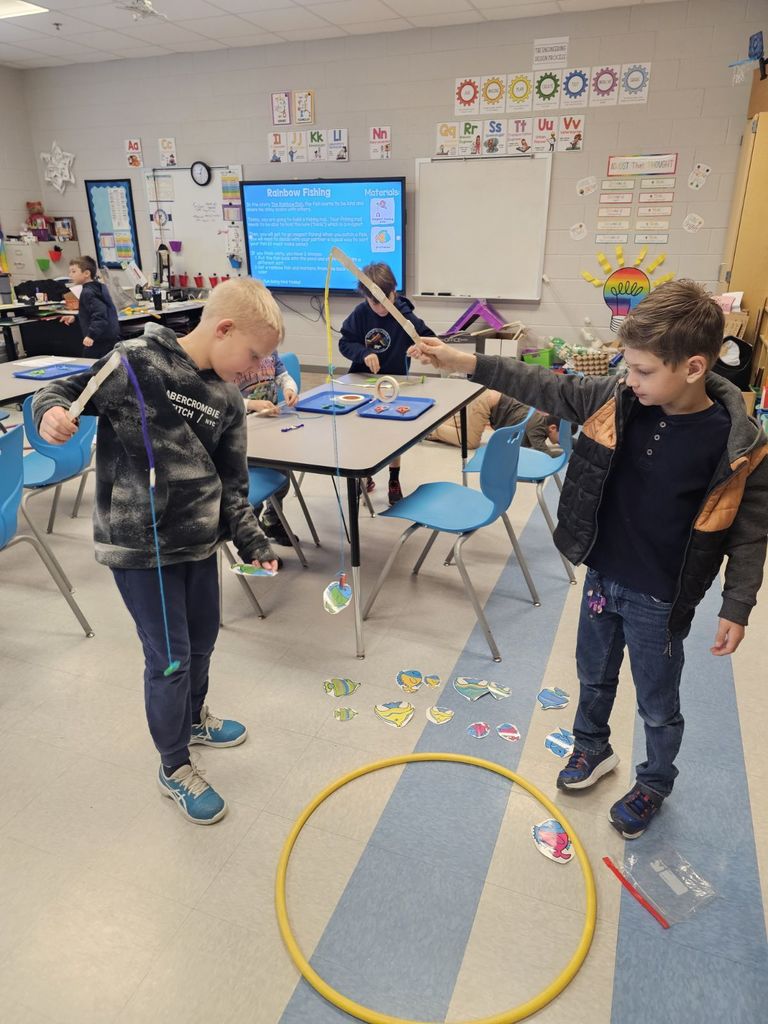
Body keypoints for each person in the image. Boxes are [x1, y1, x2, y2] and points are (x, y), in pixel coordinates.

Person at [410, 280, 768, 839]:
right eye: (628, 366)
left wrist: (738, 603)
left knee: (657, 701)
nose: (631, 379)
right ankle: (590, 750)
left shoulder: (738, 443)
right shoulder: (617, 399)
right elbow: (541, 385)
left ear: (694, 368)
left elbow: (749, 531)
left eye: (644, 370)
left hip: (662, 596)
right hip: (603, 576)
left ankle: (653, 781)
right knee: (593, 676)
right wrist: (460, 360)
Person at [33, 278, 283, 826]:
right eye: (255, 355)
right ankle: (174, 765)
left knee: (203, 639)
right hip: (139, 548)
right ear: (222, 329)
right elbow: (55, 396)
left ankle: (193, 719)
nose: (257, 369)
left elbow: (233, 486)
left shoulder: (229, 397)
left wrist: (252, 538)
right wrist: (49, 416)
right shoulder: (131, 362)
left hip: (198, 543)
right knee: (168, 658)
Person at [339, 262, 435, 504]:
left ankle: (394, 478)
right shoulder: (361, 314)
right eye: (374, 303)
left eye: (386, 300)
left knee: (394, 434)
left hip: (395, 384)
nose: (381, 308)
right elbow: (345, 342)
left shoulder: (404, 315)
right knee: (362, 431)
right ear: (366, 298)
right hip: (363, 382)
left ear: (394, 291)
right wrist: (362, 353)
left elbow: (429, 339)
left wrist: (418, 346)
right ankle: (365, 475)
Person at [237, 351, 299, 546]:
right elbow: (221, 395)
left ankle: (272, 519)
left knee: (282, 479)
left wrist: (290, 389)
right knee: (252, 488)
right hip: (244, 433)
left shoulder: (270, 351)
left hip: (270, 426)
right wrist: (251, 404)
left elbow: (283, 376)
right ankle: (251, 534)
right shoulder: (233, 355)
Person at [426, 390, 563, 456]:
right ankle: (430, 430)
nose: (559, 442)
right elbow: (542, 451)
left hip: (487, 401)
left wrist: (575, 445)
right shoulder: (538, 425)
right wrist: (566, 455)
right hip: (485, 403)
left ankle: (432, 427)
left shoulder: (539, 421)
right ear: (552, 428)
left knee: (459, 427)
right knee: (470, 441)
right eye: (561, 438)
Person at [62, 256, 121, 359]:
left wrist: (91, 335)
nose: (70, 275)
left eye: (73, 271)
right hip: (108, 338)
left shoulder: (88, 292)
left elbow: (100, 315)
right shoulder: (99, 287)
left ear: (86, 273)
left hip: (99, 340)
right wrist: (76, 318)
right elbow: (94, 311)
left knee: (91, 368)